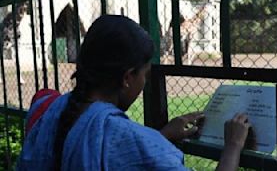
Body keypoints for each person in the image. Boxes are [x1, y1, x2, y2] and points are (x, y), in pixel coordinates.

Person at [17, 15, 253, 171]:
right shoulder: (126, 136)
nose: (144, 83)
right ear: (128, 78)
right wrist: (232, 146)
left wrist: (161, 135)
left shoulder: (54, 110)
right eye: (145, 76)